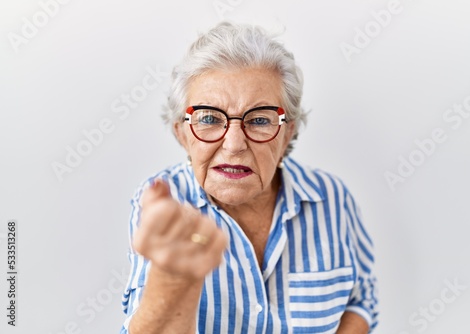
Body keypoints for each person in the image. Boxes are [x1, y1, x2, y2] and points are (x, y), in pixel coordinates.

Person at [120, 22, 378, 334]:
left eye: (258, 120)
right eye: (210, 119)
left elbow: (361, 299)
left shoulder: (332, 197)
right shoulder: (164, 205)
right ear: (182, 134)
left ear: (287, 134)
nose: (234, 144)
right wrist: (173, 277)